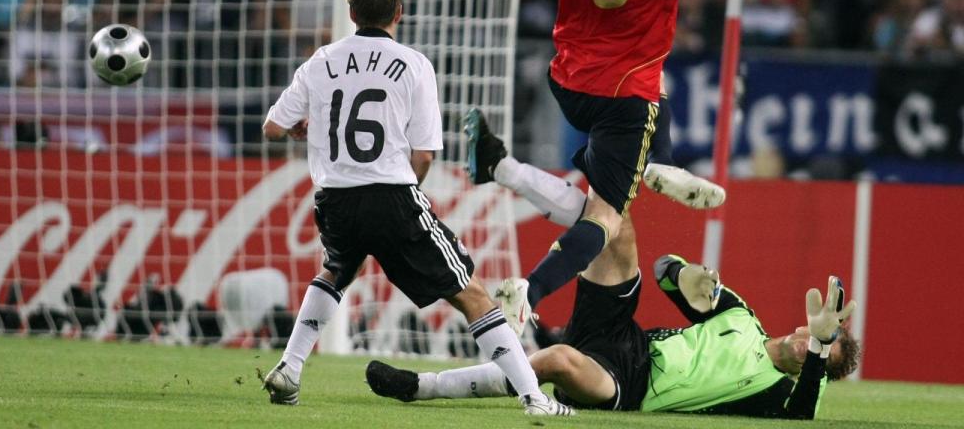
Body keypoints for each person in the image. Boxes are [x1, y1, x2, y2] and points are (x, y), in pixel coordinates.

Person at [378, 0, 791, 330]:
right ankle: (529, 290)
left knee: (654, 101)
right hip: (624, 98)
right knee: (606, 220)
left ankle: (659, 160)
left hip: (571, 85)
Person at [260, 0, 573, 416]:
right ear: (399, 13)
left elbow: (273, 126)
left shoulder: (321, 60)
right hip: (392, 195)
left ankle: (290, 369)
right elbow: (424, 155)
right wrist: (405, 201)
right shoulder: (413, 65)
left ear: (351, 12)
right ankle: (534, 398)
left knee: (335, 271)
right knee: (472, 294)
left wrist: (300, 129)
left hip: (335, 199)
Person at [366, 220, 861, 418]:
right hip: (629, 339)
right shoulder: (741, 315)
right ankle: (531, 287)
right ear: (803, 323)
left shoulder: (776, 393)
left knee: (557, 358)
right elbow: (668, 273)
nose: (808, 345)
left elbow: (804, 416)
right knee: (617, 226)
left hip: (629, 385)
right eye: (814, 337)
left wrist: (821, 351)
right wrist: (683, 273)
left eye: (819, 351)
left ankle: (422, 386)